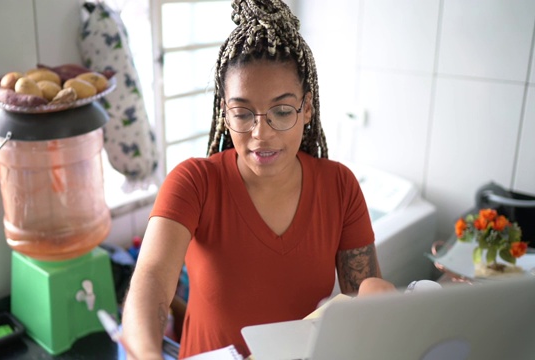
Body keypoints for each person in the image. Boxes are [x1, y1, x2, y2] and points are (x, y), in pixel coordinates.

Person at [121, 0, 395, 358]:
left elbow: (364, 299)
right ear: (224, 111)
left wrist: (383, 305)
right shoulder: (195, 183)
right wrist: (147, 353)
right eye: (242, 113)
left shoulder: (339, 188)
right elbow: (152, 281)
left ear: (307, 108)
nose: (261, 133)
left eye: (282, 111)